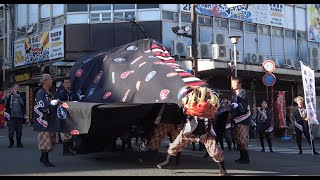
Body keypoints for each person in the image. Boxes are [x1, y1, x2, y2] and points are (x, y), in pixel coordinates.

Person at [156, 86, 227, 176]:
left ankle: (222, 169)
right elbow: (183, 105)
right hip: (189, 132)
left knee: (215, 151)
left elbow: (218, 105)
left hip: (205, 133)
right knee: (175, 145)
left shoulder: (210, 107)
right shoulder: (190, 105)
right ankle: (167, 161)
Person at [34, 74, 59, 167]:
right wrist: (52, 104)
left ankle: (43, 157)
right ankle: (45, 160)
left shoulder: (51, 92)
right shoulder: (40, 92)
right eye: (50, 79)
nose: (52, 81)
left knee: (52, 139)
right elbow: (43, 107)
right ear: (44, 81)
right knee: (45, 139)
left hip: (51, 119)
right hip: (43, 119)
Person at [229, 77, 251, 164]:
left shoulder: (243, 92)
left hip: (243, 119)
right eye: (233, 84)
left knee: (243, 138)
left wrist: (237, 105)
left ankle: (246, 158)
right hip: (236, 118)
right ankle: (242, 157)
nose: (233, 85)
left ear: (240, 84)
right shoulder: (235, 94)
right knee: (238, 138)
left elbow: (243, 105)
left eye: (235, 83)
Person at [56, 76, 78, 156]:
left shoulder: (71, 92)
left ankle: (70, 148)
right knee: (65, 132)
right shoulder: (62, 92)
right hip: (63, 114)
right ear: (63, 84)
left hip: (71, 114)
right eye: (66, 82)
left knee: (70, 132)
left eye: (69, 82)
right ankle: (65, 150)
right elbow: (62, 103)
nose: (68, 84)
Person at [1, 83, 26, 148]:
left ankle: (19, 143)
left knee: (19, 131)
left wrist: (17, 96)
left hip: (19, 115)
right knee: (11, 131)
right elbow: (3, 102)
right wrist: (5, 96)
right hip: (11, 116)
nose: (17, 89)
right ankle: (11, 142)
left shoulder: (21, 95)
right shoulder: (9, 95)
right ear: (12, 88)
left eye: (18, 87)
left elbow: (23, 103)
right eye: (16, 87)